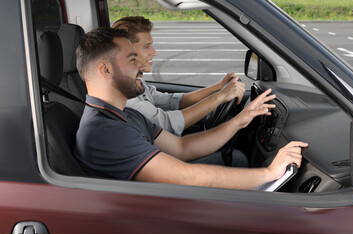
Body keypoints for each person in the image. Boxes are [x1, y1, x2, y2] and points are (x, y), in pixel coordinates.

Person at [74, 27, 308, 190]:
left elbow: (181, 147)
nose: (142, 67)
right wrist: (270, 173)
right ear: (105, 70)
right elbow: (187, 177)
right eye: (132, 60)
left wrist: (240, 120)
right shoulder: (105, 131)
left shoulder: (126, 114)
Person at [112, 16, 245, 136]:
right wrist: (220, 97)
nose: (154, 52)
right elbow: (168, 124)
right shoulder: (127, 97)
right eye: (147, 46)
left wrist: (218, 87)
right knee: (240, 159)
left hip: (166, 150)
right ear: (127, 51)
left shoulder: (137, 82)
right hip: (160, 157)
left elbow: (172, 101)